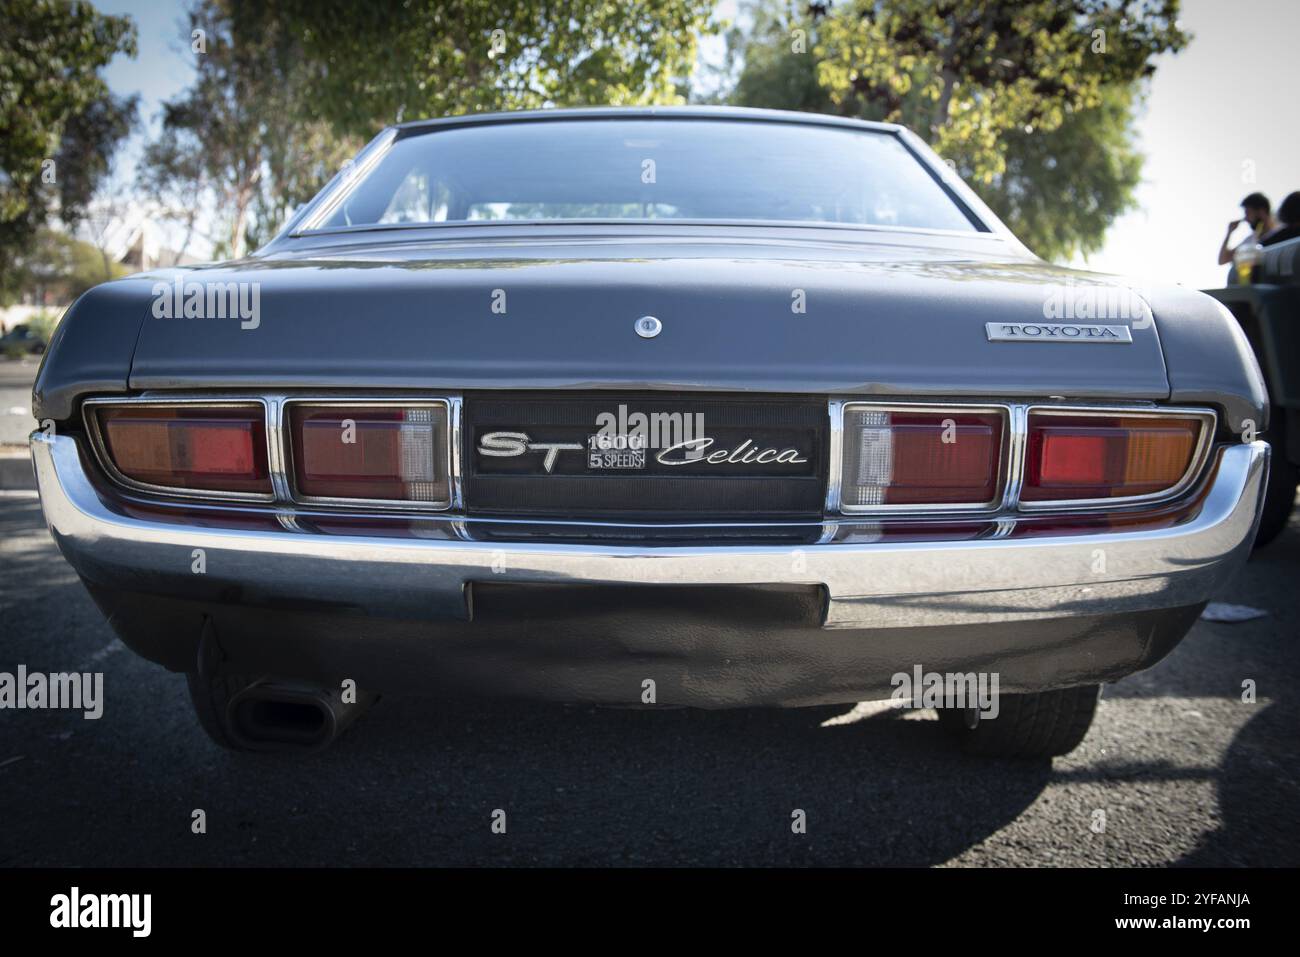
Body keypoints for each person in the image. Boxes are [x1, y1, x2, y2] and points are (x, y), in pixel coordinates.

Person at [1218, 192, 1275, 265]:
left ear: (1261, 211)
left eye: (1248, 213)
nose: (1246, 219)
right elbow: (1222, 260)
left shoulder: (1280, 233)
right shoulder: (1250, 241)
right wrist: (1229, 232)